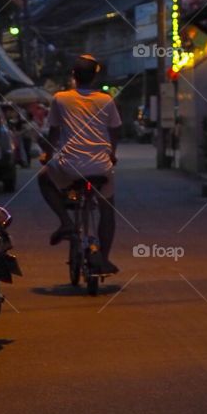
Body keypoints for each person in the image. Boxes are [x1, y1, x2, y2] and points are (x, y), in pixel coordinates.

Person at [38, 55, 121, 273]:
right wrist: (112, 154)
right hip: (101, 167)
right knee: (107, 210)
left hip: (69, 167)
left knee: (43, 179)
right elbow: (115, 131)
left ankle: (66, 222)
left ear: (73, 76)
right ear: (95, 77)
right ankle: (104, 258)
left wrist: (47, 156)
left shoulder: (60, 98)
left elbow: (53, 134)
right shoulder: (106, 100)